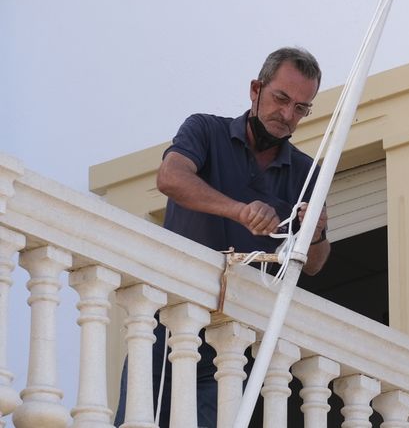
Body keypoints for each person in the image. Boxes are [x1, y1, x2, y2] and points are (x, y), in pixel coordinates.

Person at [118, 47, 332, 427]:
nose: (287, 115)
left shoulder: (307, 173)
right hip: (165, 321)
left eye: (301, 108)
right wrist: (239, 210)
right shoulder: (205, 129)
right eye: (281, 99)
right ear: (256, 89)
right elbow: (170, 177)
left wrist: (314, 235)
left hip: (230, 342)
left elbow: (315, 265)